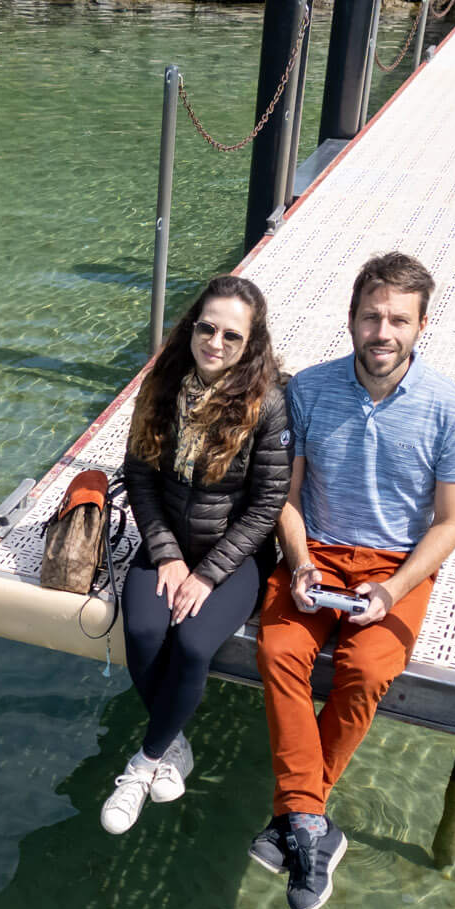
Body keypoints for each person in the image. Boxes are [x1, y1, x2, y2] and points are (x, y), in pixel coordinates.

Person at [253, 252, 455, 909]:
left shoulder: (451, 410)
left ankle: (297, 817)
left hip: (397, 565)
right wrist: (297, 562)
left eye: (398, 320)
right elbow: (286, 498)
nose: (383, 331)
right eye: (371, 316)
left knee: (366, 668)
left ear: (421, 325)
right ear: (350, 320)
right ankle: (311, 825)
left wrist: (393, 587)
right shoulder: (311, 391)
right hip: (316, 552)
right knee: (279, 653)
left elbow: (449, 524)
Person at [102, 275, 291, 835]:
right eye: (207, 328)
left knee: (190, 641)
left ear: (251, 344)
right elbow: (139, 476)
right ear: (192, 327)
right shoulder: (160, 385)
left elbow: (266, 506)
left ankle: (140, 766)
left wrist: (206, 575)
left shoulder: (268, 405)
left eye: (232, 336)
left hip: (236, 558)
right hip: (168, 547)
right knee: (140, 632)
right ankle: (172, 745)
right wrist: (165, 556)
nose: (215, 343)